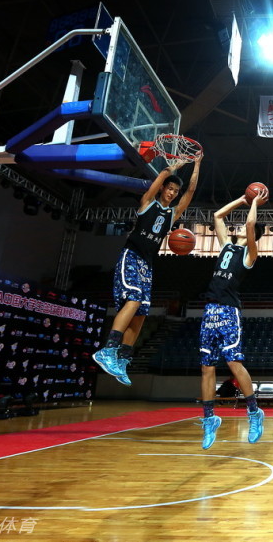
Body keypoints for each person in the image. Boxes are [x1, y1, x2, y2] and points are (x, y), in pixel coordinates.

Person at [93, 155, 202, 385]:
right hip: (130, 256)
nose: (172, 193)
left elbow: (190, 193)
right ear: (163, 188)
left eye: (175, 191)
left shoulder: (171, 215)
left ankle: (122, 358)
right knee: (132, 301)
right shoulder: (148, 203)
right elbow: (156, 183)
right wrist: (172, 168)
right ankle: (107, 349)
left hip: (147, 264)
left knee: (142, 313)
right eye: (169, 188)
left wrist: (197, 166)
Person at [198, 187, 268, 449]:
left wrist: (255, 202)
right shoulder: (227, 246)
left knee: (234, 363)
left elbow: (251, 223)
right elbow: (217, 216)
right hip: (209, 310)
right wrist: (241, 199)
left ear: (254, 238)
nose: (241, 227)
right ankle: (209, 420)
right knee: (206, 368)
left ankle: (253, 412)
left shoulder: (250, 255)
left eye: (248, 230)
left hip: (228, 311)